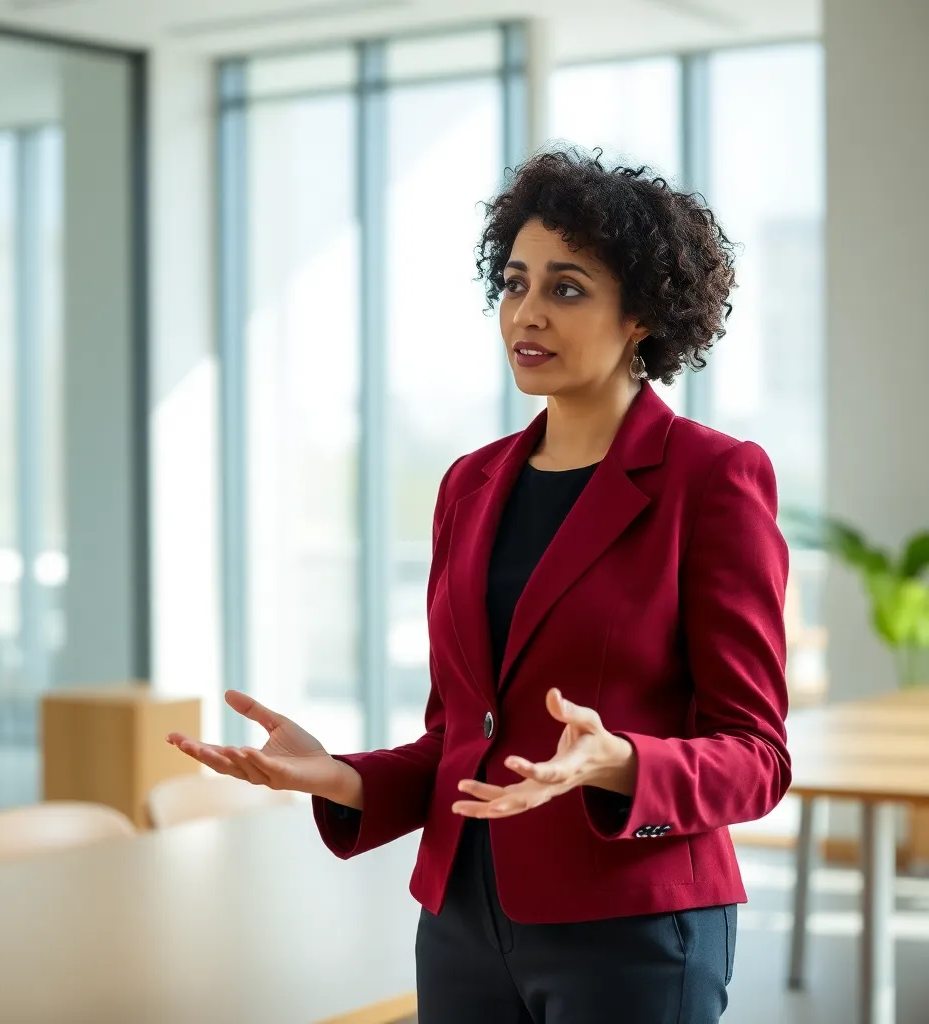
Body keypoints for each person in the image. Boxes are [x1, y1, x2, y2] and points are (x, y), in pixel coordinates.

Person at [168, 147, 791, 1023]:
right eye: (514, 282)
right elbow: (462, 738)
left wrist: (619, 762)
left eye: (567, 288)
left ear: (641, 315)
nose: (526, 314)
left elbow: (757, 757)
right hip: (461, 919)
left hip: (635, 925)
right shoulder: (469, 484)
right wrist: (337, 775)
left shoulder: (712, 478)